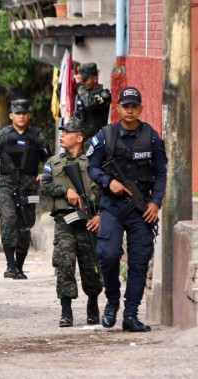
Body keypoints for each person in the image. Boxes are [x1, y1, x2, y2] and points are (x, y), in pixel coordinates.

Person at [87, 86, 167, 332]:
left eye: (134, 106)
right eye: (126, 106)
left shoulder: (151, 137)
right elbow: (92, 166)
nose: (130, 110)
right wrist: (107, 181)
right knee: (108, 255)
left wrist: (155, 203)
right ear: (118, 108)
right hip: (111, 206)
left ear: (140, 108)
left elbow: (162, 174)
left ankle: (130, 314)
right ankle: (112, 301)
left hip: (140, 209)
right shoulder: (106, 135)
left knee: (139, 261)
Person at [40, 117, 102, 327]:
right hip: (64, 220)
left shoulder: (94, 162)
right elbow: (44, 187)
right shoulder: (53, 163)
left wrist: (99, 215)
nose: (63, 135)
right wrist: (65, 191)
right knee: (64, 266)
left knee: (90, 266)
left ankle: (93, 305)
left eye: (67, 132)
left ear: (79, 137)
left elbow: (103, 191)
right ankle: (66, 311)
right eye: (62, 132)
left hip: (89, 221)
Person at [0, 99, 52, 279]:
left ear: (28, 115)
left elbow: (50, 160)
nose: (21, 117)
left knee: (25, 225)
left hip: (29, 186)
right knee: (7, 221)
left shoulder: (37, 136)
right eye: (18, 113)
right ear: (11, 115)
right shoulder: (2, 136)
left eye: (24, 113)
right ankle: (10, 265)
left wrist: (44, 173)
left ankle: (20, 267)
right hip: (6, 184)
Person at [73, 62, 111, 145]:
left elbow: (89, 104)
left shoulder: (104, 94)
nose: (83, 83)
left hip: (95, 140)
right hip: (80, 140)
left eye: (85, 80)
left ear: (95, 79)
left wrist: (80, 85)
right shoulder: (83, 93)